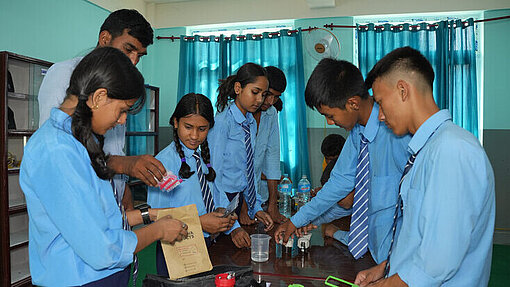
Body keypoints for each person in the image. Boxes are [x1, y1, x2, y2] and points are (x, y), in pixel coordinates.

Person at [20, 47, 188, 287]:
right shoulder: (55, 150)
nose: (122, 120)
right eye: (122, 110)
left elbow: (100, 218)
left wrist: (148, 215)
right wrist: (157, 231)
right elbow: (101, 248)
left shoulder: (77, 141)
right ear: (98, 97)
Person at [354, 47, 495, 287]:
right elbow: (421, 237)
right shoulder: (429, 149)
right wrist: (386, 268)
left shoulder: (452, 150)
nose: (380, 116)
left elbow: (438, 261)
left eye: (380, 102)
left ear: (402, 90)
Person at [274, 58, 411, 265]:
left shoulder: (398, 134)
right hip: (375, 252)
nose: (330, 122)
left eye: (330, 115)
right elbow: (338, 185)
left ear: (353, 103)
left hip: (400, 257)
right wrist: (300, 220)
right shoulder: (358, 134)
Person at [37, 9, 163, 212]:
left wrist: (123, 188)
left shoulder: (119, 85)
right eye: (128, 49)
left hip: (110, 190)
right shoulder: (64, 74)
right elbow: (58, 152)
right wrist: (124, 165)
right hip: (78, 198)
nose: (133, 62)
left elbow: (114, 147)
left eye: (139, 55)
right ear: (105, 39)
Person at [147, 93, 238, 277]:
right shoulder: (163, 164)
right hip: (176, 247)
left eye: (202, 129)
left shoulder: (204, 156)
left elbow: (216, 191)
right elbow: (156, 216)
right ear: (175, 122)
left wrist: (224, 215)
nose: (195, 136)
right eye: (188, 127)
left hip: (205, 243)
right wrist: (200, 223)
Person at [208, 62, 274, 248]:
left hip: (235, 200)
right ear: (238, 88)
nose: (260, 99)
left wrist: (256, 208)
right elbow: (213, 177)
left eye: (263, 94)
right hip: (219, 201)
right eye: (255, 92)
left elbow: (248, 170)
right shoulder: (222, 123)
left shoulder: (250, 122)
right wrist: (232, 225)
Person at [242, 66, 287, 224]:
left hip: (255, 199)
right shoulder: (237, 113)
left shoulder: (271, 113)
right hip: (231, 198)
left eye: (276, 97)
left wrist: (273, 206)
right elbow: (234, 166)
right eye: (268, 95)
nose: (270, 102)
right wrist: (243, 206)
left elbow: (272, 158)